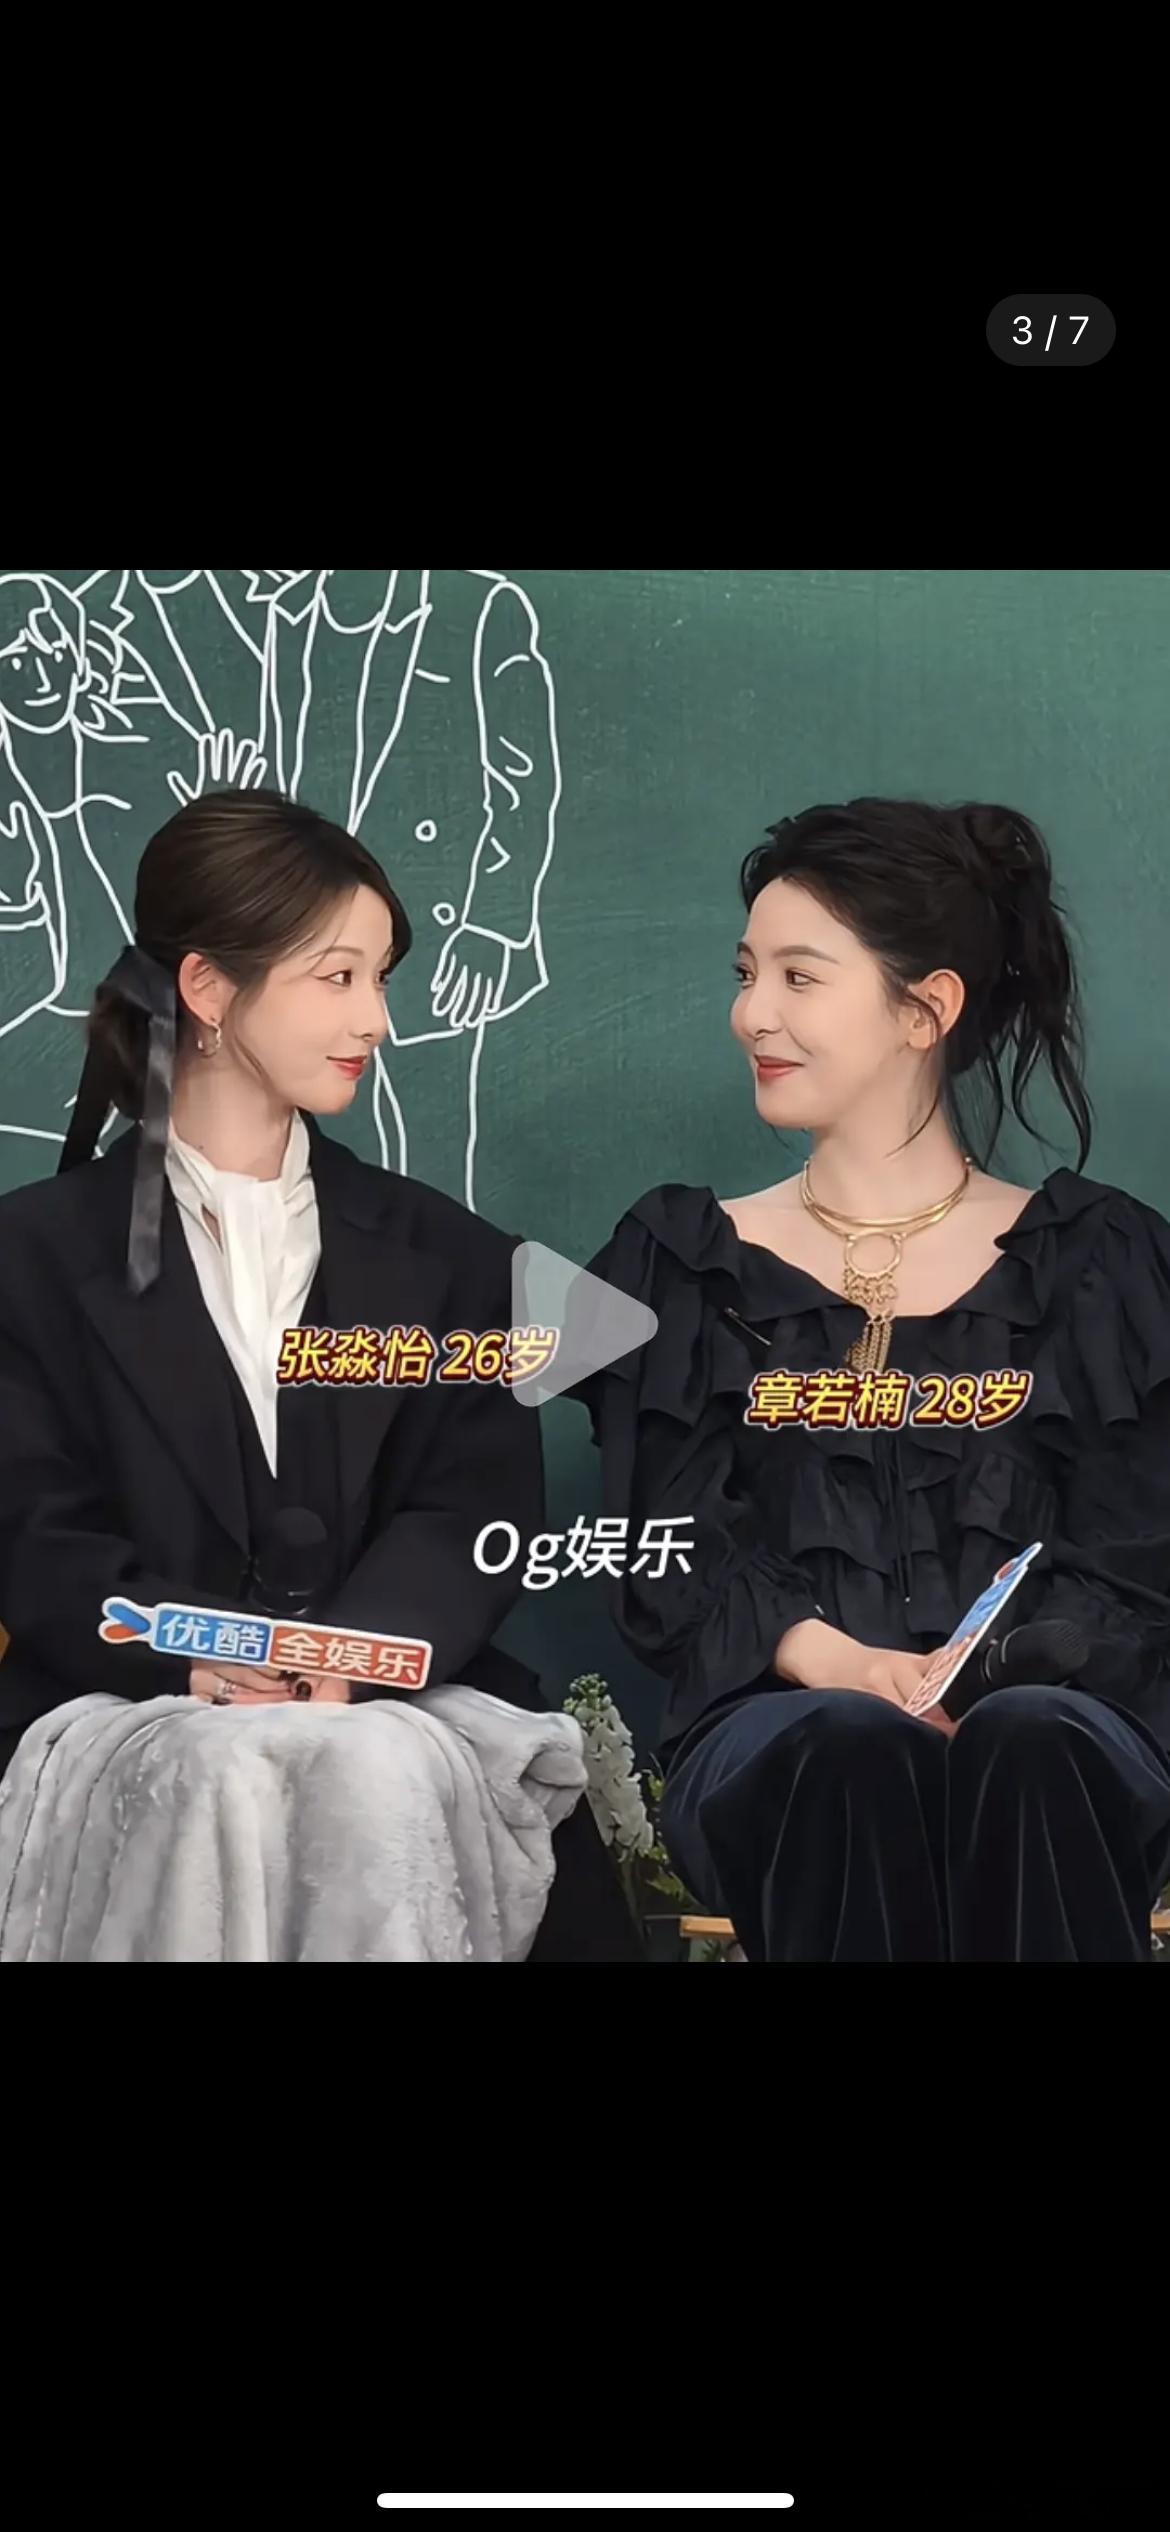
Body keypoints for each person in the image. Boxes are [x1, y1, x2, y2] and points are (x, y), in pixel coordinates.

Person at [0, 784, 640, 1961]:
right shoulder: (28, 1256)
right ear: (207, 989)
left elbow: (473, 1507)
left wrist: (337, 1659)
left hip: (394, 1705)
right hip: (124, 1701)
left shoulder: (450, 1253)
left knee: (372, 1780)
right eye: (338, 977)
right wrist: (198, 1655)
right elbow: (33, 1525)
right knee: (218, 1782)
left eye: (380, 978)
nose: (377, 1019)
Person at [569, 798, 1170, 1961]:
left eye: (800, 977)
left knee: (1031, 1738)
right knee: (848, 1743)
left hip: (1056, 1729)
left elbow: (1134, 1562)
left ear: (924, 1009)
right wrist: (842, 1665)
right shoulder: (682, 1262)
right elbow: (668, 1546)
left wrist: (984, 1675)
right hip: (784, 1728)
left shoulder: (1103, 1264)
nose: (753, 1013)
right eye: (747, 974)